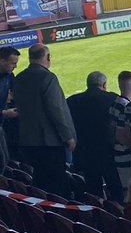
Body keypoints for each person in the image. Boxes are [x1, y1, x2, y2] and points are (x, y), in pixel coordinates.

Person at [12, 44, 75, 197]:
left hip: (27, 140)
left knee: (40, 181)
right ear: (47, 58)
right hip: (49, 142)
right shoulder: (47, 77)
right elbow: (55, 110)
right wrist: (68, 136)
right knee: (56, 183)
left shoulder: (19, 78)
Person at [67, 71, 120, 200]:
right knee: (115, 189)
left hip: (84, 152)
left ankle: (97, 216)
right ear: (104, 84)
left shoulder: (72, 101)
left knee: (93, 191)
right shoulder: (113, 99)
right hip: (108, 151)